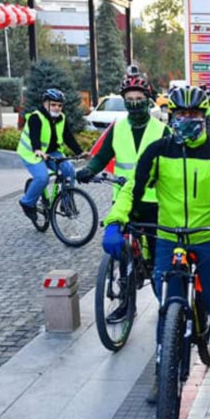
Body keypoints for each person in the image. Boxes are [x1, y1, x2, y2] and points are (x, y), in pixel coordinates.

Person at [101, 85, 210, 406]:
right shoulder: (157, 150)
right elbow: (131, 188)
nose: (188, 119)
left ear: (205, 116)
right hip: (169, 237)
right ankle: (162, 373)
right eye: (182, 114)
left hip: (209, 237)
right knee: (166, 307)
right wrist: (114, 221)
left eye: (195, 114)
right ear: (171, 116)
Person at [78, 74, 165, 319]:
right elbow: (101, 156)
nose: (135, 103)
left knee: (158, 255)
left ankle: (165, 305)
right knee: (122, 254)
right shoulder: (118, 128)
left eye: (139, 99)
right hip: (123, 201)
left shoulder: (162, 130)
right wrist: (89, 170)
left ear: (148, 100)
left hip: (154, 201)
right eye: (130, 99)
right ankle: (127, 304)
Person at [17, 88, 83, 218]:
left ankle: (67, 204)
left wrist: (80, 152)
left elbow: (68, 137)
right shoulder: (36, 117)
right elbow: (34, 136)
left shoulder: (61, 118)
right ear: (45, 104)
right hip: (31, 153)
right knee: (42, 178)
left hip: (52, 152)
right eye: (53, 105)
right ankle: (26, 203)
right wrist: (37, 149)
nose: (57, 108)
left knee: (69, 171)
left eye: (59, 105)